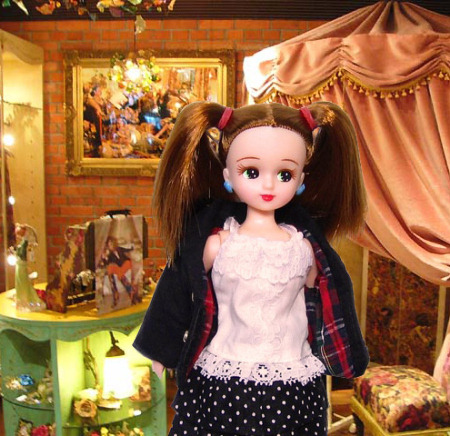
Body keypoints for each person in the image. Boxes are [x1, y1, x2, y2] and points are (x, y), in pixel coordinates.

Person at [134, 102, 370, 435]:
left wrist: (338, 350)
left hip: (292, 379)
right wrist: (161, 348)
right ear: (228, 176)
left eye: (284, 174)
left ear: (301, 179)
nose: (268, 186)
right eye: (252, 172)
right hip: (225, 376)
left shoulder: (303, 250)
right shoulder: (219, 244)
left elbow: (325, 304)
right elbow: (177, 289)